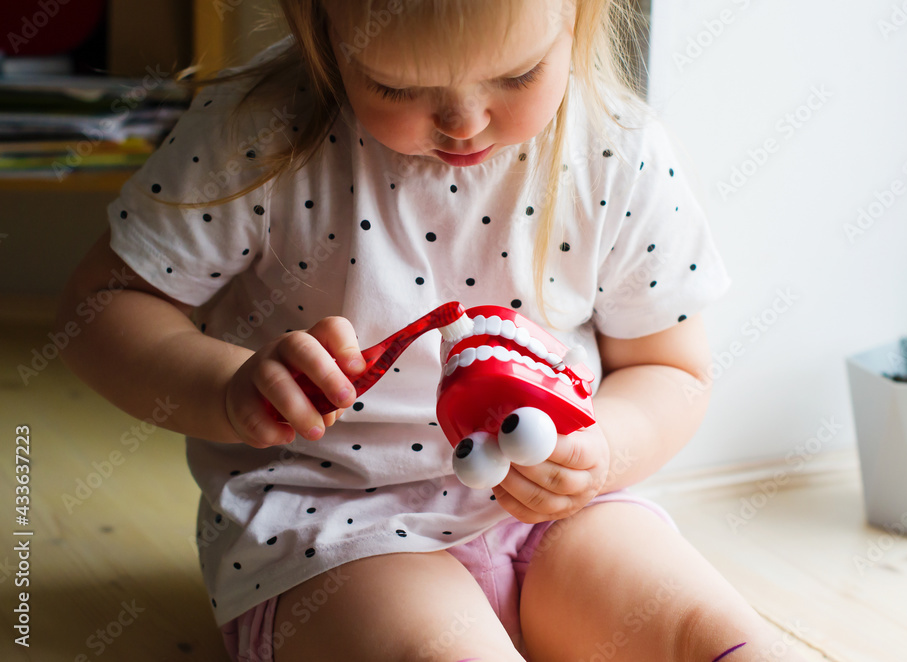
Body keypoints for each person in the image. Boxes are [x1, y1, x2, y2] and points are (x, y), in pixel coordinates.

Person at [56, 0, 806, 660]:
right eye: (398, 87)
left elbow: (671, 368)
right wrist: (225, 389)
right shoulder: (254, 135)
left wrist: (601, 449)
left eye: (517, 76)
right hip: (335, 525)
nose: (465, 122)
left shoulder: (615, 147)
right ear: (319, 25)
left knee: (715, 635)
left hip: (563, 514)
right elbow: (99, 309)